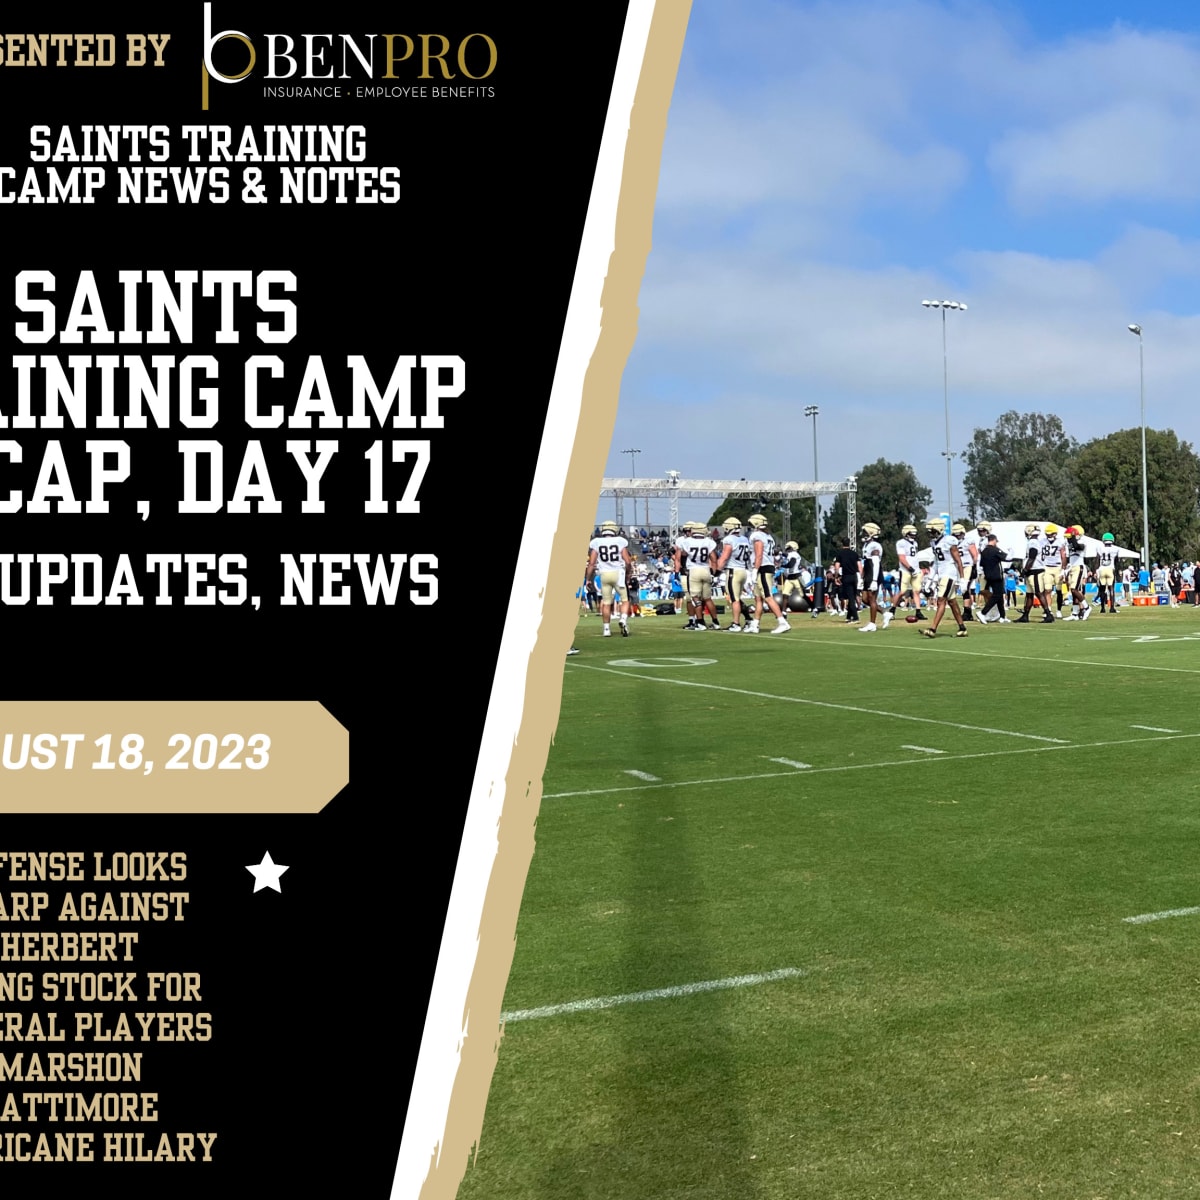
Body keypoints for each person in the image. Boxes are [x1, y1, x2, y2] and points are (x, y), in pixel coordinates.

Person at [921, 518, 969, 638]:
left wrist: (962, 579)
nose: (931, 534)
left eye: (932, 531)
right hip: (942, 574)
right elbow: (937, 563)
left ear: (939, 530)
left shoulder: (949, 540)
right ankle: (962, 628)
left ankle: (932, 629)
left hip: (949, 573)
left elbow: (958, 560)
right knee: (952, 602)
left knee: (941, 600)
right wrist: (929, 580)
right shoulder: (933, 543)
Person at [586, 520, 634, 637]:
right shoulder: (620, 541)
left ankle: (606, 629)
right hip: (618, 573)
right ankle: (623, 619)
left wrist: (588, 579)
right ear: (614, 529)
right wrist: (628, 573)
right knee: (625, 599)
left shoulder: (596, 542)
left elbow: (591, 563)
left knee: (606, 602)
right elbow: (627, 561)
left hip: (604, 574)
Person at [745, 514, 791, 634]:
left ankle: (782, 622)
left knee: (767, 597)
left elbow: (759, 554)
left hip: (763, 568)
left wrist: (755, 569)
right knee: (758, 598)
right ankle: (755, 624)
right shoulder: (768, 536)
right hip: (765, 567)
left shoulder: (757, 535)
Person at [676, 521, 720, 631]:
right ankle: (716, 622)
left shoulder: (687, 542)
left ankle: (700, 622)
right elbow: (714, 559)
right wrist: (714, 574)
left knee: (695, 598)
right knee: (708, 599)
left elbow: (683, 554)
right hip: (706, 570)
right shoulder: (709, 542)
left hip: (694, 570)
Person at [716, 516, 752, 632]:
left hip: (733, 571)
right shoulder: (744, 539)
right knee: (737, 598)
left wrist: (717, 570)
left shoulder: (729, 540)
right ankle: (748, 618)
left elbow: (724, 557)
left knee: (734, 599)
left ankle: (735, 624)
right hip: (743, 570)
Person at [858, 522, 892, 631]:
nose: (863, 534)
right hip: (868, 571)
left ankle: (872, 624)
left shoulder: (875, 546)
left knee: (872, 599)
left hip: (874, 573)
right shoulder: (866, 544)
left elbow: (876, 563)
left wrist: (874, 580)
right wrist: (862, 576)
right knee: (864, 599)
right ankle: (884, 612)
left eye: (865, 532)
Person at [977, 534, 1010, 623]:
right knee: (997, 595)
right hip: (996, 575)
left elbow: (982, 564)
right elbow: (1007, 557)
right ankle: (983, 613)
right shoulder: (995, 550)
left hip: (988, 575)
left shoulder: (984, 551)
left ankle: (1002, 617)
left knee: (999, 595)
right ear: (994, 540)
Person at [1062, 525, 1091, 620]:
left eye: (1069, 537)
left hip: (1079, 567)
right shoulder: (1068, 543)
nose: (1068, 539)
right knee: (1072, 590)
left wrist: (1073, 537)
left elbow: (1078, 547)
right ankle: (1075, 614)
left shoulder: (1081, 541)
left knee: (1075, 589)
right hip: (1072, 567)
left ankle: (1086, 607)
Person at [896, 523, 924, 618]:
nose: (913, 536)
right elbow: (902, 558)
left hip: (915, 570)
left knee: (917, 591)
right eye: (911, 534)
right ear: (905, 533)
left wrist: (917, 569)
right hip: (906, 570)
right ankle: (892, 610)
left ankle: (918, 612)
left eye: (914, 534)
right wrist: (911, 568)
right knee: (902, 591)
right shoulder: (901, 543)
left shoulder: (915, 543)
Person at [833, 537, 860, 625]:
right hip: (854, 576)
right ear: (849, 543)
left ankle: (855, 617)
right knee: (852, 595)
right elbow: (860, 566)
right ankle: (849, 616)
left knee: (850, 598)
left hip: (846, 576)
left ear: (842, 544)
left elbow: (837, 567)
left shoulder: (840, 554)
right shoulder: (854, 554)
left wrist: (836, 577)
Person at [1093, 532, 1119, 614]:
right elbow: (1117, 561)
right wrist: (1117, 571)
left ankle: (1102, 608)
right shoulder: (1116, 549)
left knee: (1102, 589)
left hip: (1102, 569)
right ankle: (1112, 607)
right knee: (1111, 589)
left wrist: (1095, 570)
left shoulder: (1099, 548)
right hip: (1110, 569)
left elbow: (1097, 560)